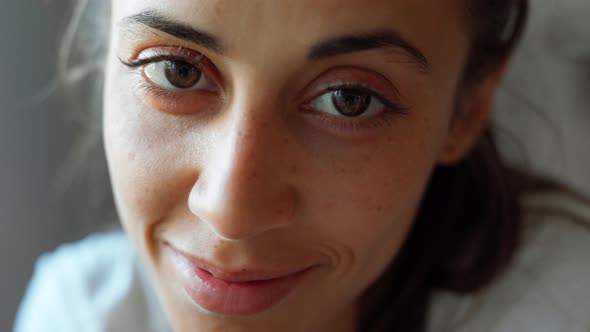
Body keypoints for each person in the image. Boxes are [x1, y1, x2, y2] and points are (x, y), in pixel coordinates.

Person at [14, 0, 590, 331]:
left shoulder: (559, 307)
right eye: (177, 71)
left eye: (349, 99)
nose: (230, 211)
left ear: (466, 111)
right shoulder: (83, 314)